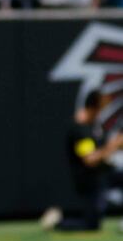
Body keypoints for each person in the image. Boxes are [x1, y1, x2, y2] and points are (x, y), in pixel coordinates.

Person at [41, 90, 121, 231]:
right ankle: (56, 222)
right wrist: (113, 146)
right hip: (90, 181)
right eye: (101, 108)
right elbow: (90, 160)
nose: (102, 112)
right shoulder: (80, 128)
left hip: (102, 174)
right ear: (94, 107)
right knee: (91, 225)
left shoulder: (94, 125)